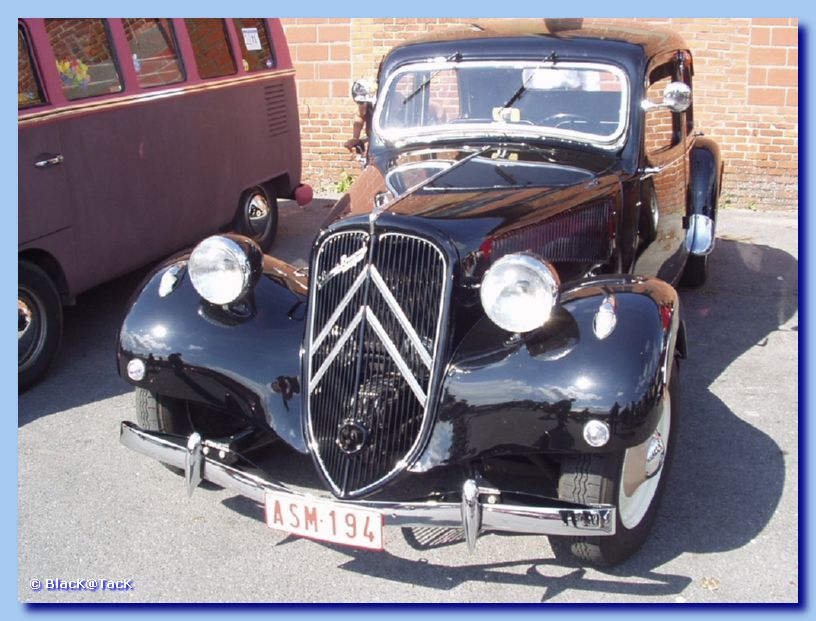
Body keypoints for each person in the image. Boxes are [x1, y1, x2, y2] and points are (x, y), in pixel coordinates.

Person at [344, 81, 373, 155]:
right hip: (374, 144)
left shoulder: (390, 101)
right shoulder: (365, 105)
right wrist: (355, 138)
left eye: (362, 102)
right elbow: (360, 115)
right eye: (360, 102)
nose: (362, 104)